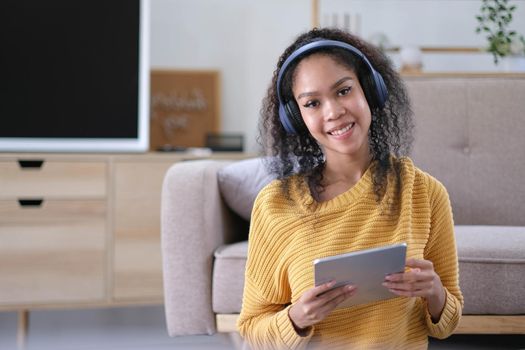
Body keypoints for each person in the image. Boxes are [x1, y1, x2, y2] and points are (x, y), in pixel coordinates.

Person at [237, 27, 463, 350]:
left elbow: (448, 323)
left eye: (343, 91)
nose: (332, 112)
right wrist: (297, 318)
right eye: (312, 103)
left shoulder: (425, 193)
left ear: (369, 89)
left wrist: (436, 292)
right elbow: (251, 330)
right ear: (296, 118)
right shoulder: (274, 205)